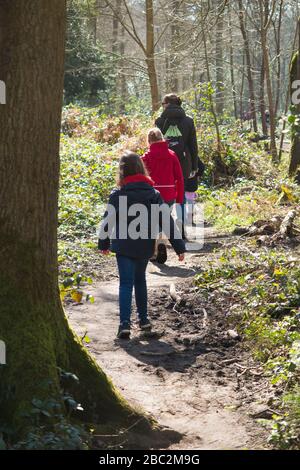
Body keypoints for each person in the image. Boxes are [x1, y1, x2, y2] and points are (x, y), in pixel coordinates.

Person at [98, 151, 186, 339]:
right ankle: (144, 320)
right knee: (140, 281)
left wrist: (103, 243)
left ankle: (124, 324)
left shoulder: (117, 194)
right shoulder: (153, 194)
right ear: (141, 168)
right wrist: (179, 246)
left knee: (125, 283)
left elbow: (108, 221)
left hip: (123, 246)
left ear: (122, 171)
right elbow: (167, 221)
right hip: (144, 245)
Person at [155, 94, 199, 239]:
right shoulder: (188, 121)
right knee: (181, 195)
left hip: (163, 163)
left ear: (167, 104)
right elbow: (193, 145)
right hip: (184, 163)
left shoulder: (159, 122)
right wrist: (194, 166)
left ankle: (161, 230)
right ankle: (181, 228)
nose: (162, 106)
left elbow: (154, 145)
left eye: (163, 103)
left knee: (163, 196)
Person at [142, 128, 184, 264]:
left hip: (152, 194)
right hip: (169, 193)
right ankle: (161, 242)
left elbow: (141, 177)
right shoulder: (172, 155)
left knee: (153, 221)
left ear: (149, 141)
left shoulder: (145, 157)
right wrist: (179, 198)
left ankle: (154, 250)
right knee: (165, 219)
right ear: (162, 139)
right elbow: (179, 177)